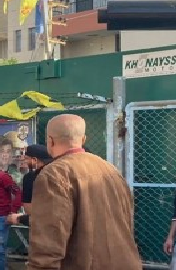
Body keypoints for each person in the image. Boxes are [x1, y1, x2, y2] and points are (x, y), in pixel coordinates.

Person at [27, 114, 141, 269]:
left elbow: (48, 243)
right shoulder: (110, 169)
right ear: (83, 139)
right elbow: (127, 219)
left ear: (50, 141)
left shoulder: (54, 174)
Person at [7, 144, 53, 227]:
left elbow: (29, 209)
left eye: (26, 158)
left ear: (34, 160)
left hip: (43, 228)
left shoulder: (30, 177)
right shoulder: (60, 173)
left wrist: (20, 218)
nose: (24, 161)